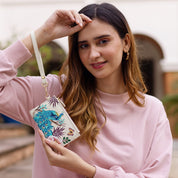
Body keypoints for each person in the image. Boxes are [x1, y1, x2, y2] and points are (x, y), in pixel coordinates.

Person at [0, 2, 173, 178]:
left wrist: (87, 170)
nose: (93, 54)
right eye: (84, 45)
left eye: (103, 41)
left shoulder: (151, 110)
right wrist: (43, 34)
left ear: (126, 43)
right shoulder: (52, 93)